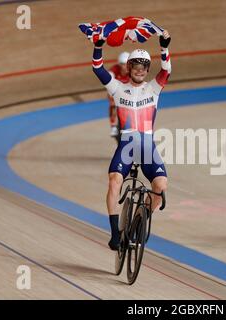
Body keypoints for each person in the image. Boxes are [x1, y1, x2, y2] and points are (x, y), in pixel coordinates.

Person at [92, 30, 171, 250]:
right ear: (129, 69)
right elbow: (97, 69)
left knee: (161, 187)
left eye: (143, 67)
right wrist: (98, 46)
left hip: (147, 146)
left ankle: (141, 216)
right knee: (114, 180)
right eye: (135, 67)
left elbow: (166, 70)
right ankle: (115, 233)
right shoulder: (118, 88)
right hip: (127, 145)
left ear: (147, 70)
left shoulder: (153, 89)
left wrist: (164, 46)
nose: (139, 70)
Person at [108, 52, 130, 137]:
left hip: (127, 92)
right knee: (113, 105)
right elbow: (108, 82)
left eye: (126, 64)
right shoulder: (114, 70)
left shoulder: (133, 71)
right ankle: (113, 126)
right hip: (115, 91)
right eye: (122, 64)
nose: (124, 67)